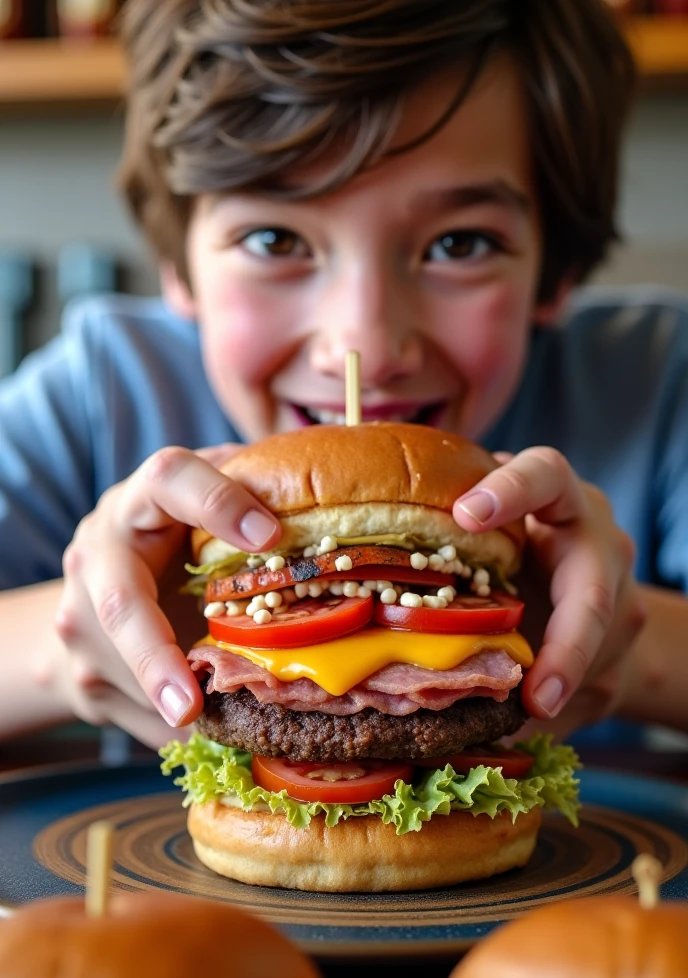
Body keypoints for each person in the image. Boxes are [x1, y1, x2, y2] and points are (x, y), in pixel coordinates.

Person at [0, 0, 686, 752]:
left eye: (459, 244)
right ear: (180, 265)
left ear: (555, 272)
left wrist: (641, 648)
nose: (364, 342)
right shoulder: (105, 388)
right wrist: (62, 646)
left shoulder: (660, 382)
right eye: (274, 237)